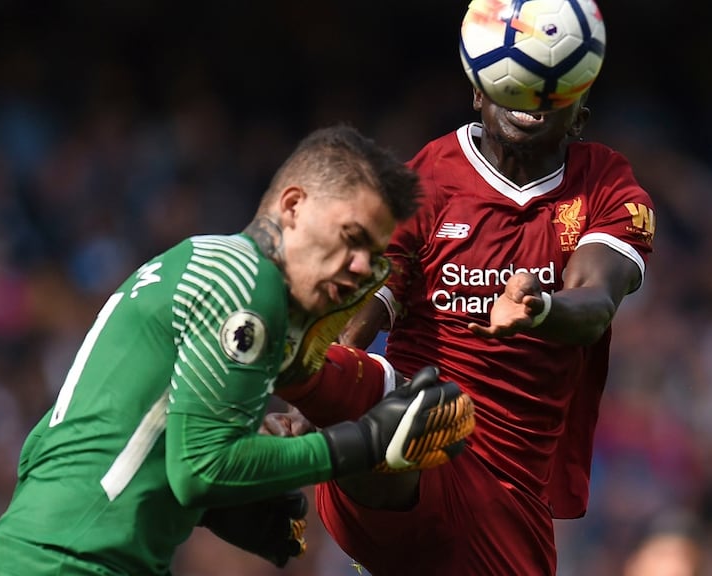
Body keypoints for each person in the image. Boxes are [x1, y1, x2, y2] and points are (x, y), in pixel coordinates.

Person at [0, 124, 476, 576]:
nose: (363, 266)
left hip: (40, 553)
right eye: (350, 237)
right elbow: (202, 468)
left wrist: (225, 508)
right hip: (72, 563)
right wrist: (363, 442)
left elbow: (63, 447)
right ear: (294, 207)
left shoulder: (198, 264)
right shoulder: (246, 281)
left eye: (372, 251)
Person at [277, 88, 656, 575]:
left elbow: (596, 300)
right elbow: (361, 309)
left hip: (507, 490)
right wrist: (305, 402)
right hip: (418, 424)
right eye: (515, 83)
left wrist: (540, 308)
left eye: (552, 88)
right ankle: (358, 426)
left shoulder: (604, 185)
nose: (531, 98)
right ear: (479, 93)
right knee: (378, 387)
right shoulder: (428, 179)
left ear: (580, 113)